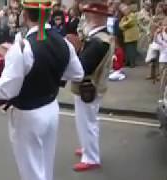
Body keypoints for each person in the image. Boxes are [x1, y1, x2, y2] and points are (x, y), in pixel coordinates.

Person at [0, 0, 84, 179]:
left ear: (25, 16)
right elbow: (77, 74)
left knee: (31, 170)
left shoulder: (22, 48)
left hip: (28, 115)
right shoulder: (65, 43)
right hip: (51, 108)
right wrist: (50, 75)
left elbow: (6, 90)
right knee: (46, 165)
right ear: (49, 15)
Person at [71, 1, 115, 171]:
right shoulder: (102, 37)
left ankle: (91, 157)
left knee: (87, 122)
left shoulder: (98, 41)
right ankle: (87, 147)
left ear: (95, 17)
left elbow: (81, 68)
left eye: (87, 15)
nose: (85, 18)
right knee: (88, 121)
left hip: (88, 87)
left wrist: (73, 52)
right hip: (95, 86)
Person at [119, 3, 140, 68]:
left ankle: (132, 63)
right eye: (123, 11)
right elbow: (120, 26)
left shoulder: (132, 15)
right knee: (128, 50)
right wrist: (123, 25)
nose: (124, 12)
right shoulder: (124, 18)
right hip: (127, 36)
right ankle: (128, 62)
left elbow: (128, 23)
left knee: (132, 50)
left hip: (133, 36)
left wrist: (123, 25)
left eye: (125, 10)